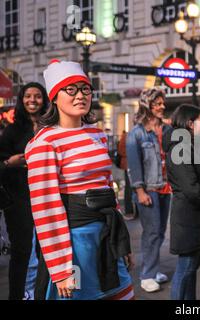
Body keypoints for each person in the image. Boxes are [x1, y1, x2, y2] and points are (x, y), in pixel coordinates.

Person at [24, 60, 134, 300]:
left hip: (106, 234)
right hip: (73, 242)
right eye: (70, 90)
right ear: (54, 97)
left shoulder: (97, 134)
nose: (80, 96)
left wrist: (122, 244)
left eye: (85, 89)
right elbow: (46, 208)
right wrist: (61, 267)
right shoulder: (44, 143)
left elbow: (107, 188)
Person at [162, 104, 200, 300]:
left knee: (191, 268)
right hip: (189, 216)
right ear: (190, 123)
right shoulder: (181, 147)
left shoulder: (189, 144)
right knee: (186, 268)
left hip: (196, 215)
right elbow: (191, 189)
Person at [0, 82, 49, 299]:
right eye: (28, 96)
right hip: (19, 198)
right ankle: (17, 295)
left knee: (45, 250)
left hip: (46, 196)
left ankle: (40, 293)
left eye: (37, 96)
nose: (32, 100)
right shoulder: (12, 130)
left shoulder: (50, 128)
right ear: (21, 100)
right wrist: (10, 162)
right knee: (21, 252)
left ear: (44, 100)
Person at [126, 87, 172, 293]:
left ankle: (153, 269)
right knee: (151, 233)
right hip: (149, 189)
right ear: (147, 105)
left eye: (162, 103)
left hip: (165, 187)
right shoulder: (137, 133)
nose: (162, 106)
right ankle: (147, 275)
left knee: (160, 231)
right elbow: (133, 166)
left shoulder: (165, 129)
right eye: (158, 103)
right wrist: (140, 191)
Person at [117, 130, 135, 219]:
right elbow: (121, 150)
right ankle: (129, 210)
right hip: (129, 164)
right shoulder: (127, 136)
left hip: (129, 163)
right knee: (129, 188)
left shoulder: (127, 135)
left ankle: (131, 210)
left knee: (130, 188)